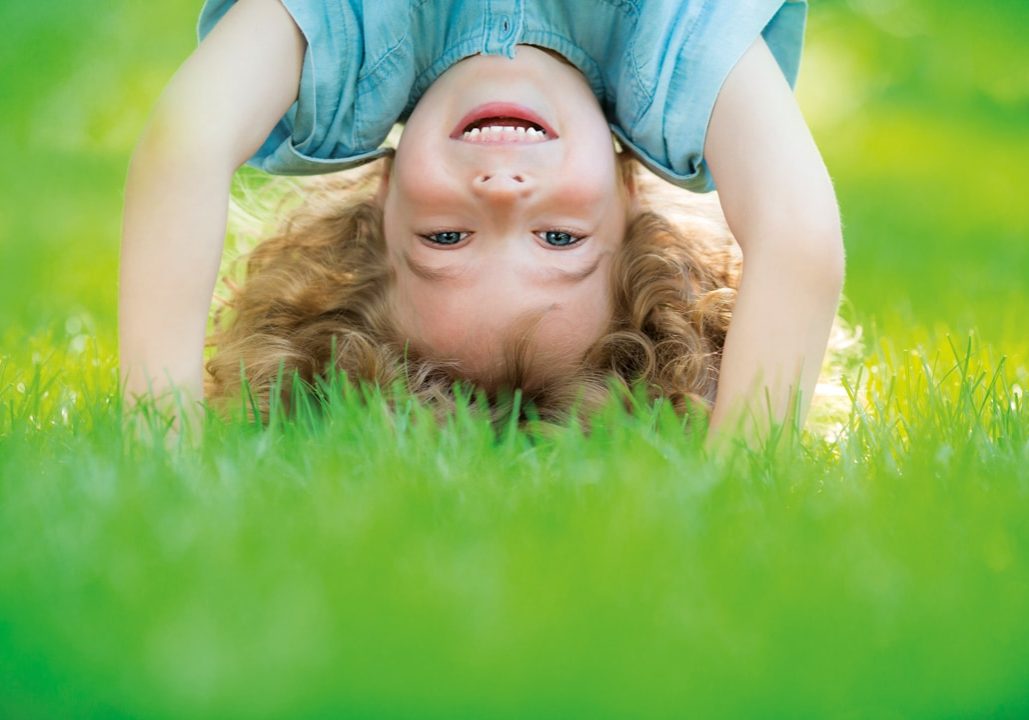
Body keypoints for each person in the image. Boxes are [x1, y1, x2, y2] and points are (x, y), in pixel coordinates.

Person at [120, 0, 843, 438]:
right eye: (559, 238)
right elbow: (795, 234)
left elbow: (188, 139)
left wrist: (159, 442)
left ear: (382, 197)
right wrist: (741, 483)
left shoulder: (353, 45)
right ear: (630, 201)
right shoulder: (670, 57)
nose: (501, 192)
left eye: (445, 238)